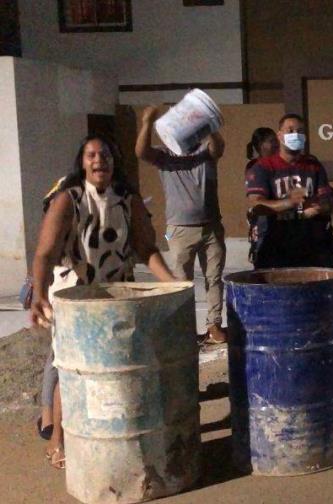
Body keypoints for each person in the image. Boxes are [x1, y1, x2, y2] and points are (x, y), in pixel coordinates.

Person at [31, 135, 176, 469]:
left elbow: (145, 247)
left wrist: (171, 283)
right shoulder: (68, 199)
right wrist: (39, 293)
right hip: (75, 297)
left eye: (106, 154)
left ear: (115, 161)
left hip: (118, 297)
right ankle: (57, 440)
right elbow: (45, 252)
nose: (99, 160)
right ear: (82, 162)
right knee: (71, 368)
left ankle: (111, 431)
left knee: (116, 367)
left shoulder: (128, 199)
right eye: (91, 155)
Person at [136, 105, 227, 344]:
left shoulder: (206, 152)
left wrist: (206, 125)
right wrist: (147, 122)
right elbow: (141, 152)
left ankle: (214, 326)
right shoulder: (164, 156)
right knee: (179, 282)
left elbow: (218, 147)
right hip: (178, 231)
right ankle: (182, 329)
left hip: (211, 227)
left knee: (214, 278)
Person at [245, 113, 333, 269]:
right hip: (274, 246)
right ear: (279, 135)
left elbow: (328, 202)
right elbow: (256, 204)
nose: (296, 135)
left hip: (311, 246)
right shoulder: (263, 167)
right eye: (290, 130)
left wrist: (318, 207)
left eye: (300, 131)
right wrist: (290, 202)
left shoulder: (314, 166)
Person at [245, 127, 278, 266]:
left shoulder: (280, 163)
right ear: (261, 146)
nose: (276, 144)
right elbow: (257, 200)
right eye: (271, 141)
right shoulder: (255, 167)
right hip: (264, 221)